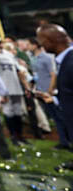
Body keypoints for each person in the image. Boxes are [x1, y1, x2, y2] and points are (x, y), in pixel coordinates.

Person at [37, 24, 73, 155]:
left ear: (50, 41)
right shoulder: (66, 59)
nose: (41, 45)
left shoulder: (71, 61)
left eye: (42, 41)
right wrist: (54, 99)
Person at [30, 37, 70, 149]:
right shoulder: (35, 58)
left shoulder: (48, 57)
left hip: (50, 92)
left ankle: (65, 141)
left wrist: (50, 90)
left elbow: (53, 74)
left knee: (60, 117)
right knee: (56, 118)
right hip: (44, 91)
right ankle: (64, 141)